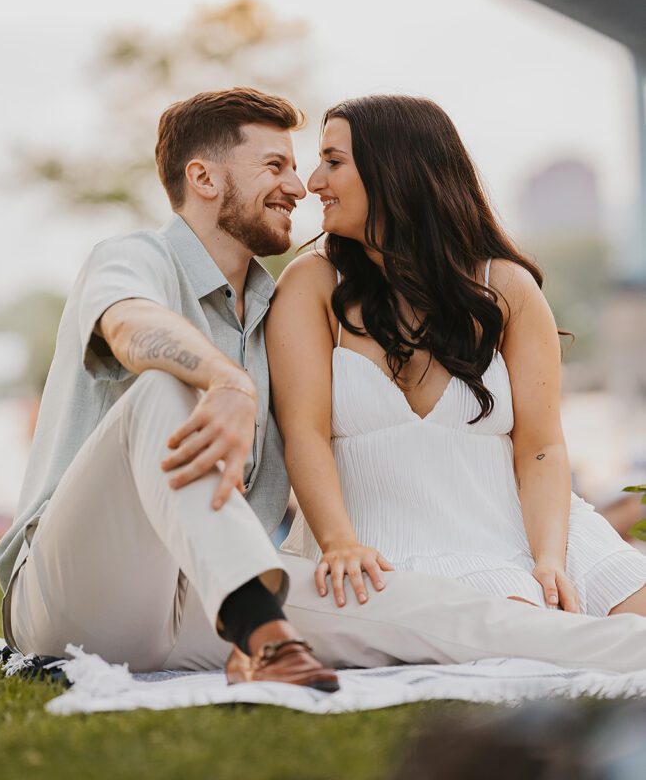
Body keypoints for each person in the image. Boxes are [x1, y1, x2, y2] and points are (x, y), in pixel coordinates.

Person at [0, 87, 646, 684]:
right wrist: (223, 381)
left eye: (309, 164)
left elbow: (534, 440)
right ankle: (264, 634)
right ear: (203, 177)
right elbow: (130, 325)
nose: (301, 185)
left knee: (450, 617)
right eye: (274, 166)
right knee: (164, 393)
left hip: (199, 597)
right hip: (73, 591)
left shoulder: (270, 305)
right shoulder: (133, 258)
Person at [268, 94, 646, 622]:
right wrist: (338, 543)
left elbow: (540, 447)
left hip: (532, 533)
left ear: (395, 171)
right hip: (380, 547)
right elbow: (303, 432)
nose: (313, 182)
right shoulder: (310, 284)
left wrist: (549, 558)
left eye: (333, 161)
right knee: (517, 635)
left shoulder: (505, 286)